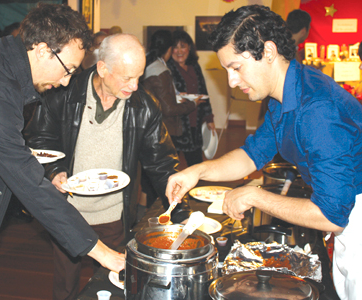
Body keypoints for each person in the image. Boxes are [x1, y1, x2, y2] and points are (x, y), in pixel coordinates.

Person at [166, 5, 362, 300]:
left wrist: (255, 196)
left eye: (236, 67)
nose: (231, 81)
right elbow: (251, 155)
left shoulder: (317, 110)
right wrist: (197, 171)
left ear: (268, 52)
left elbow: (333, 215)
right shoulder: (284, 94)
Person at [0, 3, 124, 283]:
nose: (65, 82)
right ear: (41, 50)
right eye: (67, 70)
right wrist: (102, 252)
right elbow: (28, 182)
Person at [24, 33, 192, 300]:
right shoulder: (63, 91)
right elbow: (39, 139)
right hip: (68, 212)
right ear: (102, 68)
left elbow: (161, 162)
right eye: (127, 78)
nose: (135, 86)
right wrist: (54, 171)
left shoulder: (145, 106)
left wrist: (180, 209)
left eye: (139, 76)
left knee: (115, 284)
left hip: (115, 214)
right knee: (66, 286)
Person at [138, 29, 204, 217]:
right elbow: (168, 109)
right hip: (162, 128)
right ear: (168, 49)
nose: (178, 51)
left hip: (154, 127)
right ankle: (161, 215)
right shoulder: (161, 69)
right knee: (161, 175)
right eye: (175, 47)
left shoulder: (151, 64)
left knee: (150, 176)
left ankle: (149, 215)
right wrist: (192, 104)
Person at [167, 30, 215, 167]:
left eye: (183, 46)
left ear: (189, 48)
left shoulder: (194, 66)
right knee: (171, 164)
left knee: (196, 162)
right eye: (175, 47)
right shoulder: (168, 68)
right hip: (177, 124)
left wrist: (209, 118)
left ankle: (195, 188)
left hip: (196, 120)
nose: (179, 51)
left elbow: (203, 92)